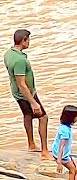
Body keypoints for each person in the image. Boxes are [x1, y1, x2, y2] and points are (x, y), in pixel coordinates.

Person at [3, 29, 52, 159]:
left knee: (27, 115)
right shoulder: (19, 60)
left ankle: (31, 144)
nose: (29, 42)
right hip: (26, 94)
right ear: (23, 40)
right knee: (43, 118)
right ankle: (45, 151)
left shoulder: (8, 54)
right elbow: (22, 84)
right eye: (28, 39)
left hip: (17, 93)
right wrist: (33, 102)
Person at [52, 105, 77, 180]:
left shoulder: (63, 126)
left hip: (58, 152)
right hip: (62, 156)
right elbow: (62, 146)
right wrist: (59, 162)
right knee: (73, 170)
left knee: (74, 167)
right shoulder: (65, 131)